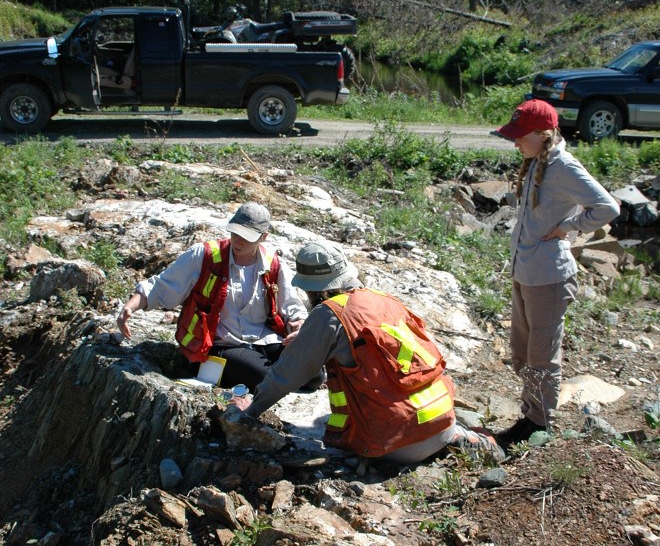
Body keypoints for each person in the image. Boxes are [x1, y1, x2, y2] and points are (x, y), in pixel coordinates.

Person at [231, 241, 505, 464]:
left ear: (310, 288)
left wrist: (251, 410)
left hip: (393, 445)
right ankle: (458, 438)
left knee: (331, 430)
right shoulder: (386, 300)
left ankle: (385, 451)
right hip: (441, 422)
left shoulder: (328, 315)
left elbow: (286, 376)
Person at [494, 99, 620, 448]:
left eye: (521, 136)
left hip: (549, 277)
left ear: (543, 133)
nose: (516, 142)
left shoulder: (563, 165)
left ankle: (538, 423)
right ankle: (532, 410)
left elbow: (608, 206)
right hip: (527, 272)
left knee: (541, 356)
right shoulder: (537, 160)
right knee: (522, 349)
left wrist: (570, 227)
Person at [117, 201, 325, 392]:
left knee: (315, 376)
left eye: (247, 236)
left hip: (263, 339)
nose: (238, 240)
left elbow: (292, 307)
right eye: (235, 232)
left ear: (263, 237)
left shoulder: (273, 264)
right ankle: (239, 372)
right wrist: (131, 306)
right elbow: (162, 287)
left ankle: (269, 374)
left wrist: (298, 329)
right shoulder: (204, 255)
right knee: (266, 378)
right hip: (218, 344)